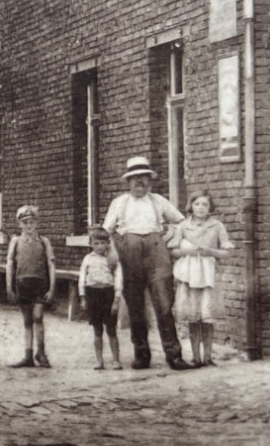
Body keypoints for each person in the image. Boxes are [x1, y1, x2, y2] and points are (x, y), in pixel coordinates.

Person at [103, 156, 189, 371]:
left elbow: (181, 222)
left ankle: (174, 356)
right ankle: (141, 355)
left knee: (163, 305)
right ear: (128, 182)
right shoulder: (119, 203)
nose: (139, 182)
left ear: (149, 181)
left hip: (157, 255)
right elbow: (105, 231)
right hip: (129, 255)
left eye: (143, 178)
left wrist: (171, 238)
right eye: (134, 178)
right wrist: (113, 247)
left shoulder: (158, 201)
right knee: (135, 308)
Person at [172, 192, 235, 367]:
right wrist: (186, 252)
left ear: (210, 208)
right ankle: (195, 357)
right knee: (193, 317)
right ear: (191, 206)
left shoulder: (217, 226)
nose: (200, 208)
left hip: (208, 275)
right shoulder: (183, 226)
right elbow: (173, 250)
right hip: (189, 276)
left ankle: (207, 356)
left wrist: (211, 252)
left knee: (207, 317)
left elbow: (227, 252)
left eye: (205, 204)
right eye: (197, 204)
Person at [5, 203, 56, 368]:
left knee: (38, 317)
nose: (28, 225)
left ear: (37, 223)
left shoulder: (44, 241)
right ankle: (28, 356)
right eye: (25, 222)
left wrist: (52, 288)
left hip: (40, 284)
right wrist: (9, 287)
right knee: (27, 320)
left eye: (32, 222)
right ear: (19, 224)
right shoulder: (16, 241)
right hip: (22, 283)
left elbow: (51, 265)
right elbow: (10, 264)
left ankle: (41, 353)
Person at [78, 225, 122, 370]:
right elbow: (82, 278)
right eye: (96, 243)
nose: (99, 246)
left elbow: (118, 278)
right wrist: (83, 297)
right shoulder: (87, 259)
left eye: (102, 243)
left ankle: (116, 360)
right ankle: (99, 360)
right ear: (90, 243)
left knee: (111, 329)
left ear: (108, 243)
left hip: (108, 293)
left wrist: (116, 298)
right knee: (97, 330)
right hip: (92, 294)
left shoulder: (112, 258)